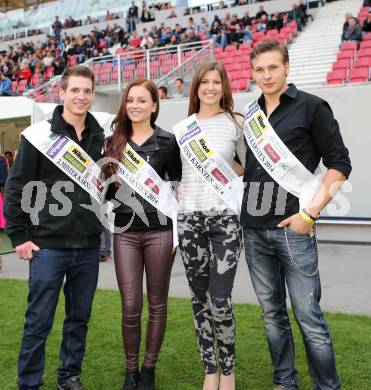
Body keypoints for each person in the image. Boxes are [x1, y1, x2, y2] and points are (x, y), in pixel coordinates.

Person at [241, 40, 351, 390]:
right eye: (260, 69)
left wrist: (310, 214)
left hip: (294, 230)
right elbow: (252, 170)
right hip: (254, 230)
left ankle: (326, 386)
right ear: (253, 73)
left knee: (309, 318)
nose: (267, 75)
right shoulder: (250, 114)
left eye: (273, 67)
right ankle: (285, 383)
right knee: (272, 316)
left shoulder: (312, 107)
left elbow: (340, 165)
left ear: (287, 67)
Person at [4, 65, 104, 390]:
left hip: (88, 245)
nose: (81, 96)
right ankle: (29, 383)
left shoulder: (98, 136)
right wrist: (19, 235)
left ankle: (69, 376)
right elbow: (16, 187)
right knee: (38, 321)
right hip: (47, 246)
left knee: (79, 320)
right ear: (61, 93)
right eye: (74, 90)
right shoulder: (39, 135)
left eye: (86, 91)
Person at [103, 79, 181, 390]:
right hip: (125, 232)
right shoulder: (113, 143)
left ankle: (148, 370)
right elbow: (106, 193)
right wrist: (115, 187)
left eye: (142, 100)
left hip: (160, 231)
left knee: (158, 304)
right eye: (130, 100)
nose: (135, 105)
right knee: (131, 305)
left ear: (154, 105)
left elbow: (177, 184)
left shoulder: (167, 141)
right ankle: (130, 370)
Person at [175, 61, 246, 390]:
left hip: (225, 222)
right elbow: (178, 175)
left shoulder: (236, 123)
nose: (210, 87)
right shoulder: (182, 128)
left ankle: (228, 371)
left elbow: (247, 167)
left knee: (221, 300)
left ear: (224, 86)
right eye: (204, 82)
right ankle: (210, 369)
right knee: (198, 299)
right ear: (196, 87)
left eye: (216, 82)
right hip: (190, 221)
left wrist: (226, 174)